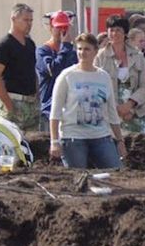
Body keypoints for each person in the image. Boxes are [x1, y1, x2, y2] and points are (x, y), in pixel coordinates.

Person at [48, 32, 127, 169]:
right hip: (73, 137)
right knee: (78, 176)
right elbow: (55, 113)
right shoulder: (67, 76)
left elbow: (111, 111)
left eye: (87, 49)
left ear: (95, 51)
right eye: (79, 49)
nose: (82, 53)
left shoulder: (104, 77)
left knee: (115, 171)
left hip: (101, 136)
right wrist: (54, 141)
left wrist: (119, 140)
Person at [95, 15, 145, 135]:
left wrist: (130, 106)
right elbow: (97, 86)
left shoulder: (138, 56)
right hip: (110, 113)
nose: (114, 33)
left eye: (118, 30)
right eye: (111, 30)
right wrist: (116, 108)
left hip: (136, 111)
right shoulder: (100, 57)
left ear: (125, 32)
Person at [0, 4, 41, 131]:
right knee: (14, 142)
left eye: (31, 20)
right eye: (25, 20)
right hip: (14, 100)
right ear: (13, 19)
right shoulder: (4, 45)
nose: (29, 24)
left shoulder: (30, 44)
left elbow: (32, 70)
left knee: (34, 144)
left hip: (31, 103)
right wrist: (8, 104)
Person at [36, 10, 77, 122]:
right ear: (51, 27)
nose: (62, 31)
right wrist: (65, 47)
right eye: (58, 27)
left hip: (70, 110)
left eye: (65, 27)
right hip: (49, 110)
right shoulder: (42, 51)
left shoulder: (72, 53)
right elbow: (54, 70)